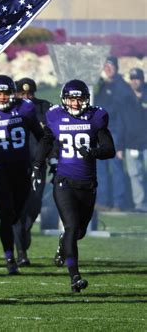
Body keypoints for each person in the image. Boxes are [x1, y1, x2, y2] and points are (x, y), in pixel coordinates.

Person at [32, 79, 115, 292]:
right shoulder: (54, 116)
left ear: (86, 99)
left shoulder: (96, 117)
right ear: (64, 99)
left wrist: (93, 152)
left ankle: (63, 244)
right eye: (72, 98)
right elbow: (46, 141)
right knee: (70, 226)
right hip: (64, 181)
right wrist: (37, 165)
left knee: (79, 231)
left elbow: (109, 149)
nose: (76, 103)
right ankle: (75, 277)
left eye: (79, 98)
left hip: (88, 184)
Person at [0, 75, 43, 275]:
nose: (3, 97)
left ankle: (21, 250)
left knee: (19, 215)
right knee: (6, 214)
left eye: (6, 93)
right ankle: (10, 258)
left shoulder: (26, 108)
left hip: (22, 169)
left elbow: (41, 136)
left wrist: (44, 158)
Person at [12, 77, 53, 266]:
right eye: (22, 93)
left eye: (29, 93)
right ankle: (20, 252)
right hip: (17, 164)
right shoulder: (10, 109)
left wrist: (53, 157)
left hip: (38, 162)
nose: (26, 96)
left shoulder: (44, 107)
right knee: (18, 207)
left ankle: (25, 230)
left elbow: (53, 135)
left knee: (34, 204)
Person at [94, 56, 128, 211]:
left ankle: (119, 203)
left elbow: (123, 117)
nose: (108, 69)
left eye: (111, 66)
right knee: (100, 168)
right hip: (100, 133)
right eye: (105, 66)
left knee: (116, 169)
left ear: (116, 68)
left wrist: (120, 144)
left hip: (114, 132)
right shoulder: (101, 86)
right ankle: (102, 201)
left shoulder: (122, 87)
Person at [120, 68, 147, 212]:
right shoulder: (125, 98)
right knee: (135, 175)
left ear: (142, 79)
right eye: (132, 78)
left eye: (137, 78)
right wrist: (119, 146)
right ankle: (140, 204)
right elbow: (121, 123)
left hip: (146, 141)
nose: (135, 81)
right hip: (131, 143)